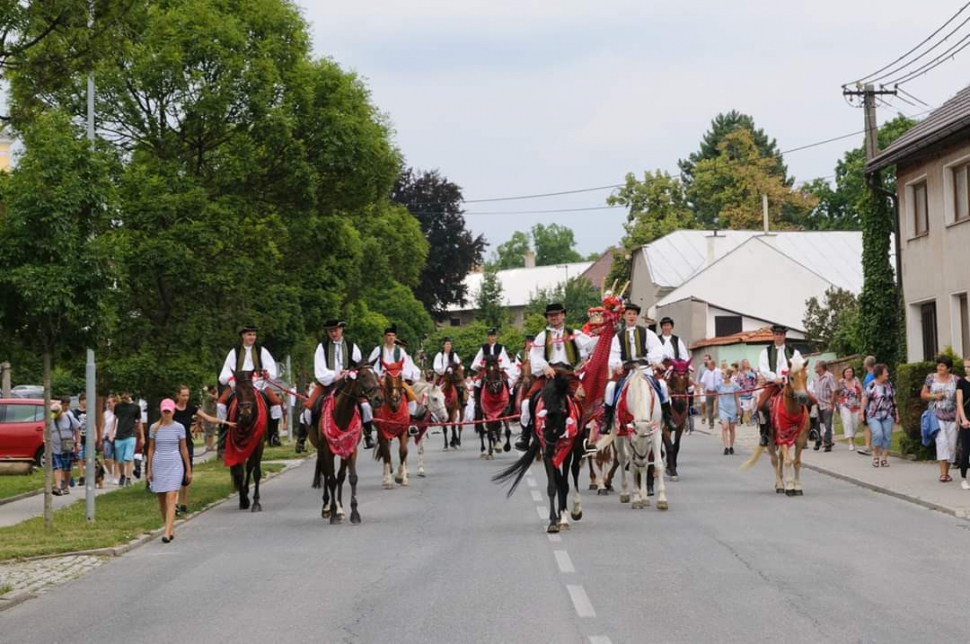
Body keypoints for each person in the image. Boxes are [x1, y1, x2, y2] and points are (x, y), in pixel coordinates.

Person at [516, 303, 598, 450]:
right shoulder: (543, 336)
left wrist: (606, 331)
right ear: (548, 318)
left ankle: (585, 437)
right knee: (526, 403)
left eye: (557, 314)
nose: (554, 317)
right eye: (551, 315)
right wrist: (545, 367)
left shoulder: (574, 333)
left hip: (569, 376)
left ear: (563, 315)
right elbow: (535, 356)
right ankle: (525, 435)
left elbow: (592, 345)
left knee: (585, 401)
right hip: (548, 376)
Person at [302, 319, 369, 449]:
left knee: (366, 407)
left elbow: (359, 366)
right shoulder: (322, 348)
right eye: (330, 331)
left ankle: (368, 435)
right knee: (307, 409)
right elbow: (320, 369)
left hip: (349, 385)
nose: (333, 333)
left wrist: (349, 373)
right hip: (327, 384)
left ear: (341, 329)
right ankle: (303, 438)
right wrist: (335, 375)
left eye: (336, 330)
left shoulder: (352, 346)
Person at [600, 302, 665, 436]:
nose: (632, 316)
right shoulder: (618, 336)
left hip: (644, 370)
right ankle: (607, 420)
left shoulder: (647, 333)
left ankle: (667, 417)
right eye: (629, 314)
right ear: (624, 316)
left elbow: (658, 349)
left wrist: (653, 361)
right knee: (610, 387)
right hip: (627, 372)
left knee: (663, 385)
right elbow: (613, 354)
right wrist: (617, 364)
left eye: (634, 314)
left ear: (637, 316)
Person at [217, 324, 284, 444]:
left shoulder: (261, 351)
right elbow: (226, 371)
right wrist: (231, 379)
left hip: (258, 383)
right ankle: (225, 433)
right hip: (239, 384)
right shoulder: (234, 352)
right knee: (220, 404)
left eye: (254, 334)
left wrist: (267, 374)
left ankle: (273, 434)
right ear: (243, 336)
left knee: (276, 403)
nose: (252, 337)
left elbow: (271, 368)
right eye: (249, 334)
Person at [173, 385, 225, 515]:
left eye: (187, 395)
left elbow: (208, 418)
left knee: (187, 474)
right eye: (183, 395)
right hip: (173, 444)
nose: (185, 398)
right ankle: (174, 504)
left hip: (187, 443)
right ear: (177, 395)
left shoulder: (191, 408)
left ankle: (183, 504)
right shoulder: (171, 409)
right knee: (175, 474)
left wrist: (225, 422)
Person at [147, 399, 192, 543]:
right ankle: (169, 526)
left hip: (174, 463)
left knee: (171, 496)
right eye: (164, 411)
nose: (166, 414)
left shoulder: (179, 428)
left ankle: (166, 532)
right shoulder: (154, 428)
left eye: (169, 411)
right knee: (161, 497)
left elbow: (183, 448)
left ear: (173, 412)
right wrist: (149, 469)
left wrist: (188, 469)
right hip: (159, 463)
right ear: (161, 411)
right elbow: (151, 449)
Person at [756, 324, 804, 447]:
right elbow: (763, 369)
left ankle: (810, 430)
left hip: (791, 383)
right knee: (761, 404)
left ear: (784, 336)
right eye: (776, 334)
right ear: (773, 335)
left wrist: (791, 377)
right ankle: (764, 433)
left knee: (809, 399)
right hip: (773, 384)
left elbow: (800, 365)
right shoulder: (765, 352)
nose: (779, 337)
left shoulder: (794, 352)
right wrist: (774, 378)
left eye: (781, 334)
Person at [921, 355, 959, 483]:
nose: (939, 367)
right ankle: (942, 474)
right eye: (938, 365)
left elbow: (960, 399)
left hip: (952, 417)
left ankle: (946, 473)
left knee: (952, 446)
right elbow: (923, 394)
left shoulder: (956, 380)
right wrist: (935, 396)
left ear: (949, 368)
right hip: (936, 416)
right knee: (942, 442)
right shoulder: (931, 378)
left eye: (942, 366)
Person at [368, 325, 419, 414]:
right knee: (371, 396)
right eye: (388, 335)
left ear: (395, 337)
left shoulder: (400, 351)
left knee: (411, 395)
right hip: (382, 378)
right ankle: (371, 417)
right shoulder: (378, 350)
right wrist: (378, 377)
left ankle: (411, 418)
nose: (391, 337)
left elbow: (406, 366)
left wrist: (402, 376)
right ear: (384, 337)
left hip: (397, 378)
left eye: (393, 335)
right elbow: (370, 365)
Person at [861, 364, 899, 469]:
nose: (887, 374)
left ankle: (884, 459)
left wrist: (897, 413)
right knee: (878, 434)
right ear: (879, 374)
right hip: (873, 415)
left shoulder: (889, 385)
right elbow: (864, 400)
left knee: (887, 436)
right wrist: (861, 413)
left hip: (887, 415)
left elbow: (893, 399)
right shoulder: (871, 386)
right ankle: (876, 456)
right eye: (885, 372)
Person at [471, 327, 513, 422]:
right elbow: (477, 360)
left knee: (509, 382)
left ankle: (508, 403)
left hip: (498, 370)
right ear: (488, 337)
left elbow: (504, 359)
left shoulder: (500, 347)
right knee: (477, 383)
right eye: (490, 336)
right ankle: (478, 403)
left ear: (496, 337)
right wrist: (480, 366)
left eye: (493, 336)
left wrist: (502, 366)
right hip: (486, 370)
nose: (492, 338)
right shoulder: (484, 348)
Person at [50, 400, 80, 495]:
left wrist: (78, 443)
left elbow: (77, 429)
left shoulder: (69, 418)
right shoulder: (51, 419)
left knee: (67, 469)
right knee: (57, 467)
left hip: (67, 447)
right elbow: (46, 431)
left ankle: (66, 486)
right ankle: (58, 487)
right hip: (55, 448)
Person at [113, 393, 141, 487]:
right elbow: (115, 419)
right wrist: (111, 432)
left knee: (129, 458)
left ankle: (128, 478)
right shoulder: (118, 406)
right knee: (120, 460)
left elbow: (139, 422)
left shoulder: (136, 407)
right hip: (119, 435)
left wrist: (142, 437)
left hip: (131, 435)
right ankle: (122, 475)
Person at [716, 367, 742, 455]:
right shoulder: (719, 385)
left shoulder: (735, 386)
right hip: (722, 408)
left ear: (728, 375)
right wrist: (715, 409)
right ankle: (725, 447)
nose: (722, 375)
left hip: (732, 408)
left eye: (723, 373)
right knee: (724, 427)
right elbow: (716, 397)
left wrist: (738, 409)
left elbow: (737, 398)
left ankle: (731, 446)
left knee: (732, 429)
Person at [837, 367, 862, 451]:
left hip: (856, 405)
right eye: (847, 372)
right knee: (848, 422)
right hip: (845, 405)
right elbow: (837, 393)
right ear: (844, 373)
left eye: (850, 372)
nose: (849, 373)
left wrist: (858, 387)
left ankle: (852, 438)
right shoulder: (841, 382)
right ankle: (850, 442)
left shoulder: (856, 380)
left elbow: (862, 391)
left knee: (855, 424)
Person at [813, 360, 836, 452]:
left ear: (821, 367)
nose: (815, 368)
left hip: (826, 404)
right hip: (818, 404)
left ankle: (827, 444)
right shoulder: (815, 377)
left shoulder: (829, 376)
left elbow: (834, 390)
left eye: (816, 366)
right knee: (817, 424)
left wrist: (831, 404)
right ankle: (818, 441)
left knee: (827, 425)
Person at [858, 355, 877, 456]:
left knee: (868, 426)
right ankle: (872, 446)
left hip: (869, 404)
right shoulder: (875, 374)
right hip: (872, 404)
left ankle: (869, 447)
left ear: (866, 365)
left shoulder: (870, 376)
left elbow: (867, 391)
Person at [956, 358, 970, 490]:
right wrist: (963, 419)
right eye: (965, 367)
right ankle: (963, 478)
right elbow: (959, 403)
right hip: (967, 419)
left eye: (969, 367)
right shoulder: (961, 382)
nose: (967, 369)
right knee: (966, 451)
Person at [699, 358, 721, 429]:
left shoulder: (718, 371)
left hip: (717, 391)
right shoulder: (706, 372)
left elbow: (722, 380)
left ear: (713, 365)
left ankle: (720, 419)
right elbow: (702, 381)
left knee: (717, 407)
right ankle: (711, 423)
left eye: (708, 365)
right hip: (709, 392)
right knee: (709, 408)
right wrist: (703, 389)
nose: (707, 366)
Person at [102, 395, 118, 484]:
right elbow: (102, 426)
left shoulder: (119, 413)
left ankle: (116, 476)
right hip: (107, 437)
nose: (108, 404)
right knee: (107, 457)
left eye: (110, 402)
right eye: (107, 403)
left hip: (117, 436)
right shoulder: (105, 414)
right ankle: (110, 473)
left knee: (116, 458)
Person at [737, 360, 758, 426]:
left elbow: (756, 379)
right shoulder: (740, 373)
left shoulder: (752, 371)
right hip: (743, 392)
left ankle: (752, 419)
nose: (745, 364)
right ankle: (748, 422)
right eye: (744, 362)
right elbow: (738, 383)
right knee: (746, 407)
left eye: (746, 362)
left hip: (752, 391)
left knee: (752, 406)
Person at [201, 386, 218, 452]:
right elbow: (217, 397)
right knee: (210, 432)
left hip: (211, 416)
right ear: (211, 390)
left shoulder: (208, 395)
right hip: (208, 416)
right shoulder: (209, 395)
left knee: (210, 431)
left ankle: (209, 446)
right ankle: (209, 447)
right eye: (214, 389)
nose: (215, 390)